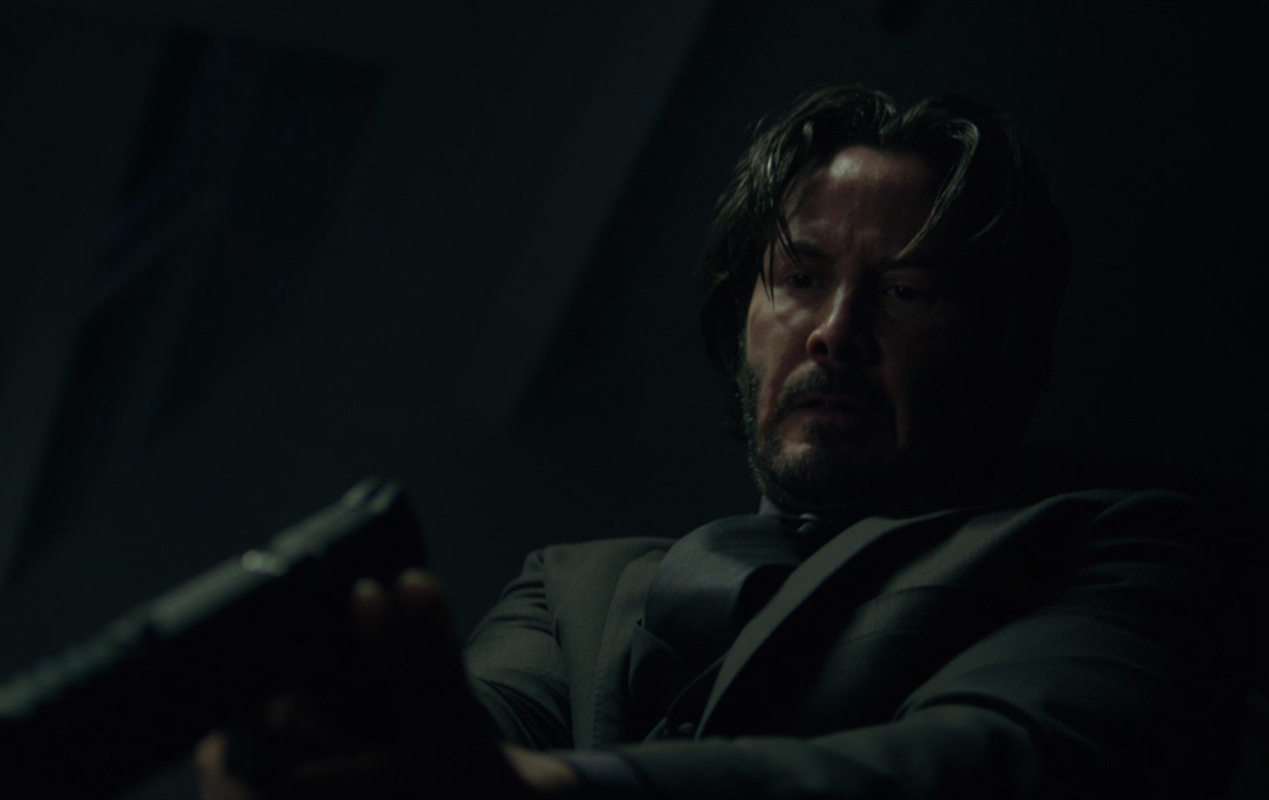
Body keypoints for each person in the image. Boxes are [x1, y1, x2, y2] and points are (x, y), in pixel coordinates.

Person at [192, 86, 1243, 799]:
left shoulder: (1117, 555)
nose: (835, 328)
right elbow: (465, 734)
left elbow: (994, 766)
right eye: (800, 278)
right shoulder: (570, 587)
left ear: (1002, 349)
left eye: (909, 290)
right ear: (744, 318)